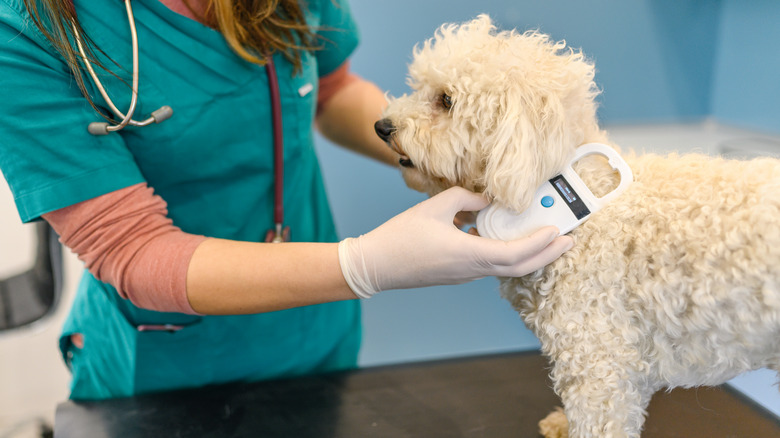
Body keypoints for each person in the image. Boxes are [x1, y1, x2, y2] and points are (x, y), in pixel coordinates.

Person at [0, 0, 573, 400]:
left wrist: (427, 151)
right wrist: (366, 264)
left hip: (316, 337)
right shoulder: (28, 30)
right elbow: (130, 248)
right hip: (166, 369)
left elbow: (330, 87)